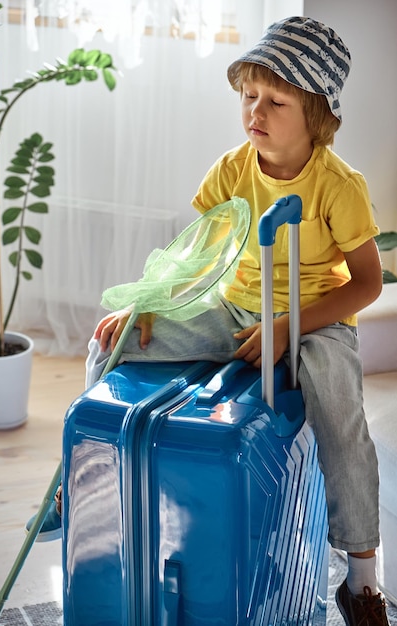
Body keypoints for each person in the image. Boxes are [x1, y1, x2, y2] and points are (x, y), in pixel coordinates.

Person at [26, 16, 390, 626]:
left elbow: (369, 283)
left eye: (277, 101)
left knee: (339, 408)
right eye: (250, 95)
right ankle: (75, 484)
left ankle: (361, 577)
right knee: (110, 342)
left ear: (317, 116)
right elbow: (198, 255)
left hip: (316, 319)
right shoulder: (230, 170)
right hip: (235, 308)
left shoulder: (338, 186)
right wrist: (151, 301)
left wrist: (288, 329)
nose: (257, 110)